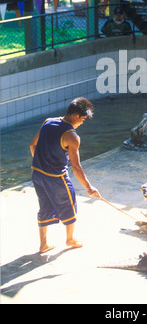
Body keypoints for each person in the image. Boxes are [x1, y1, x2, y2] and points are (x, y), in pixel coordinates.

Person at [30, 97, 101, 253]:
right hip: (57, 178)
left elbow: (32, 145)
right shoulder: (72, 136)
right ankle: (70, 239)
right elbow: (76, 166)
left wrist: (42, 163)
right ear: (75, 116)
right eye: (82, 119)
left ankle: (43, 245)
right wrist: (89, 188)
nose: (82, 123)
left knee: (44, 206)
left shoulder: (48, 122)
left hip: (37, 174)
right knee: (69, 204)